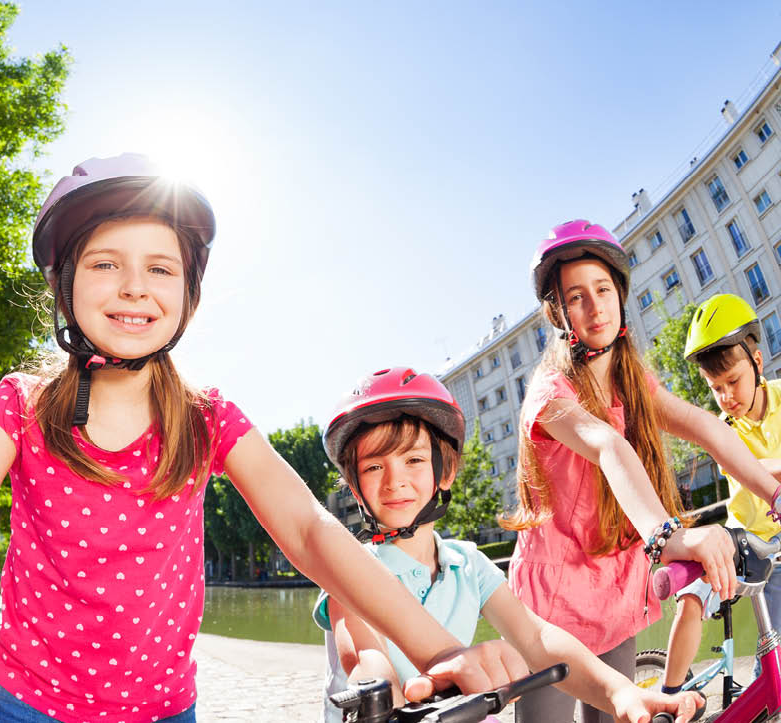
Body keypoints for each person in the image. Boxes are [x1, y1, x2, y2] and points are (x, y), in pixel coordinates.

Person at [0, 154, 529, 723]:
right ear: (63, 286)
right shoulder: (20, 406)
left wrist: (437, 648)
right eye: (106, 263)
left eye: (160, 268)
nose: (134, 286)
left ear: (188, 294)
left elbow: (309, 529)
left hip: (165, 710)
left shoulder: (207, 416)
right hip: (28, 704)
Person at [503, 220, 781, 722]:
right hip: (554, 602)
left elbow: (705, 427)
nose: (595, 307)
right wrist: (669, 537)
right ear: (559, 311)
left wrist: (772, 493)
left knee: (618, 715)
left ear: (620, 293)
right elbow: (608, 447)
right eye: (578, 296)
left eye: (603, 289)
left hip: (612, 586)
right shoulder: (550, 394)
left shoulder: (634, 382)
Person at [313, 366, 701, 723]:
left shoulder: (467, 563)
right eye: (374, 467)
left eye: (413, 460)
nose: (394, 480)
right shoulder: (347, 567)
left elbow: (537, 637)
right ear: (355, 487)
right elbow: (366, 657)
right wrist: (383, 693)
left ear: (445, 471)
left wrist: (619, 691)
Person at [661, 293, 781, 693]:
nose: (726, 396)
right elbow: (744, 469)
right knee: (691, 599)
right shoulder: (722, 430)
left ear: (758, 364)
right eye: (715, 388)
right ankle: (668, 697)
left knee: (773, 673)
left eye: (733, 381)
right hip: (745, 544)